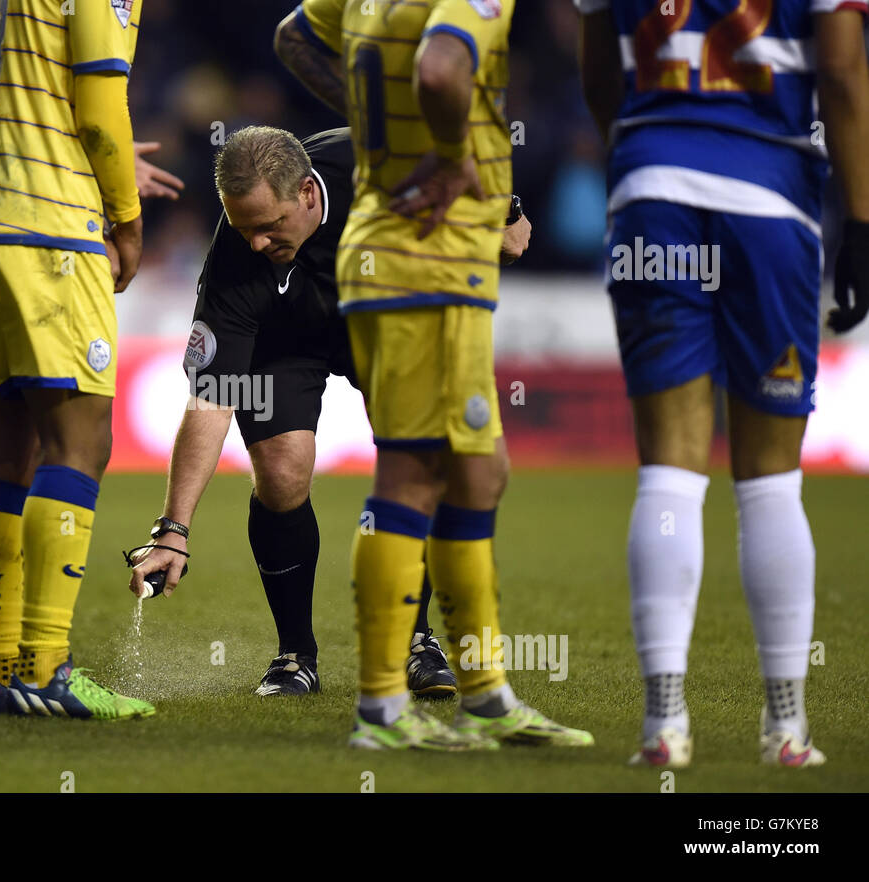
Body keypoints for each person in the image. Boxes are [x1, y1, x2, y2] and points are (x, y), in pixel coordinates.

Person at [127, 125, 531, 698]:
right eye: (244, 230)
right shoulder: (235, 260)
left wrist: (506, 209)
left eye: (270, 228)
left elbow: (461, 141)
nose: (258, 245)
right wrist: (173, 530)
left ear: (309, 196)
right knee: (283, 469)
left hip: (382, 318)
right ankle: (295, 655)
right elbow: (211, 398)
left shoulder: (379, 165)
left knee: (415, 461)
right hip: (285, 340)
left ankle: (415, 642)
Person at [289, 0, 593, 750]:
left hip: (401, 255)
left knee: (480, 471)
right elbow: (438, 69)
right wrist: (453, 154)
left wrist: (377, 125)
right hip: (427, 256)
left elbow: (293, 38)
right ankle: (383, 710)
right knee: (413, 475)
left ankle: (484, 695)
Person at [576, 0, 869, 768]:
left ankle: (664, 724)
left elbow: (599, 71)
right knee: (771, 481)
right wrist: (864, 223)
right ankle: (786, 728)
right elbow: (840, 69)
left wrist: (643, 151)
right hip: (768, 199)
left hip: (653, 193)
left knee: (669, 467)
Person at [0, 0, 155, 719]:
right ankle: (45, 668)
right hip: (47, 218)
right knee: (81, 439)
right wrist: (126, 214)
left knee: (6, 448)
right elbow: (98, 102)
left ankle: (5, 671)